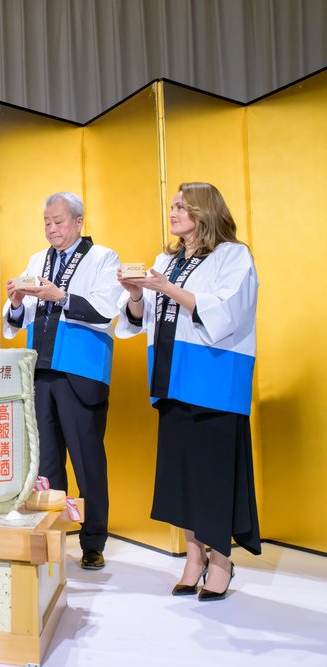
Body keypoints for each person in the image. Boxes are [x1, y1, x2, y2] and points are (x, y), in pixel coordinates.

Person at [116, 182, 260, 601]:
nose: (174, 212)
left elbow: (227, 313)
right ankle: (194, 557)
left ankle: (221, 562)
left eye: (182, 206)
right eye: (173, 205)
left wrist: (167, 289)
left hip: (213, 378)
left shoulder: (233, 255)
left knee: (212, 475)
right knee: (183, 476)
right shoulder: (167, 258)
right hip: (172, 376)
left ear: (204, 211)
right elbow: (143, 322)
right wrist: (138, 295)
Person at [3, 192, 121, 570]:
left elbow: (106, 310)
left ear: (79, 221)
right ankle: (52, 537)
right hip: (40, 369)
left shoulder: (104, 257)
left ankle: (93, 542)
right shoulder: (38, 260)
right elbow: (16, 320)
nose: (52, 229)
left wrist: (62, 295)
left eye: (59, 221)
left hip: (81, 370)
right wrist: (17, 301)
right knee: (46, 462)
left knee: (88, 460)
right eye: (47, 222)